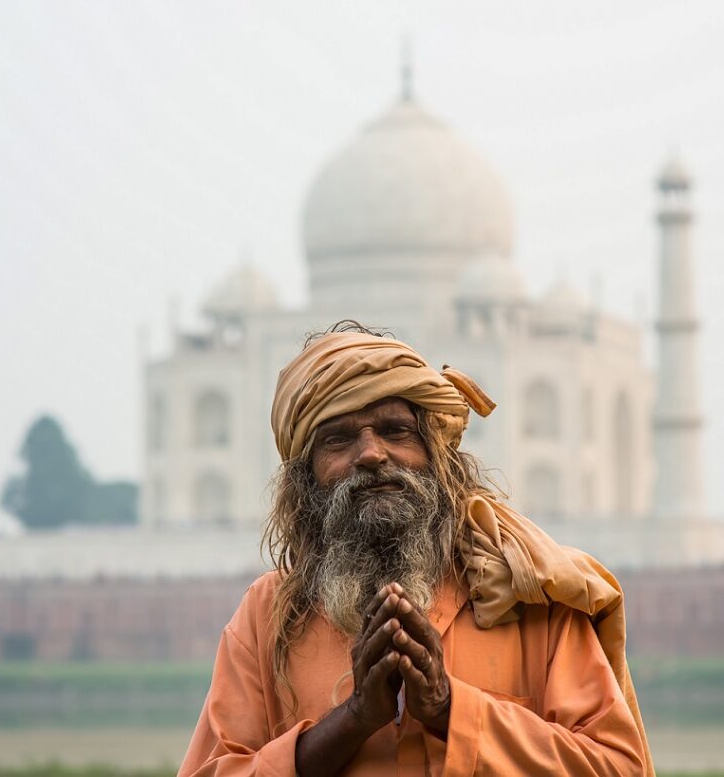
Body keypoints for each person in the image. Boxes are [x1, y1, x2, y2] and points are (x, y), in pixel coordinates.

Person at [178, 322, 652, 776]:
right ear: (305, 479)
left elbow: (616, 766)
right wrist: (353, 721)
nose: (370, 454)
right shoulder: (271, 617)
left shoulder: (525, 594)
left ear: (438, 457)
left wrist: (450, 709)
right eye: (338, 438)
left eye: (394, 430)